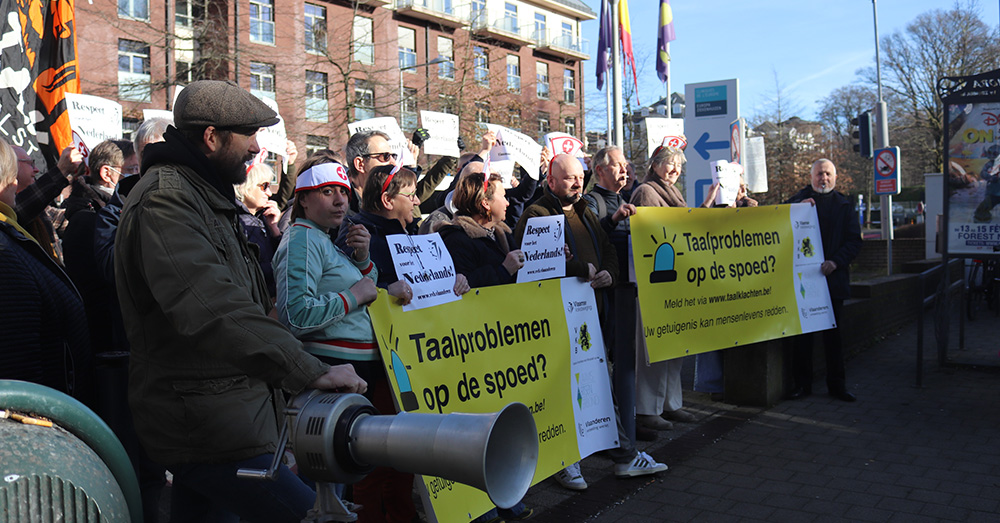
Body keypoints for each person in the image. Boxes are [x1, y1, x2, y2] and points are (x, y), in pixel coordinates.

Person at [114, 80, 367, 523]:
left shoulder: (202, 193)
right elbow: (212, 308)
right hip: (208, 426)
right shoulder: (167, 200)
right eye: (248, 134)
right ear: (211, 138)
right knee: (312, 515)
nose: (257, 146)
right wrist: (309, 370)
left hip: (221, 417)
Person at [515, 154, 667, 491]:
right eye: (568, 178)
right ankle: (573, 460)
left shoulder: (584, 209)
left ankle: (620, 456)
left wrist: (608, 274)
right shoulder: (536, 215)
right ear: (550, 181)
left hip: (591, 314)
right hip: (557, 318)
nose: (576, 183)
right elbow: (535, 264)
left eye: (579, 177)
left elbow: (608, 251)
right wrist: (579, 269)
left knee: (595, 385)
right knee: (567, 389)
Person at [0, 136, 94, 404]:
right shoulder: (5, 248)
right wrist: (61, 172)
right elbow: (19, 359)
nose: (34, 170)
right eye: (28, 164)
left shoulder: (23, 222)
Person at [629, 146, 708, 432]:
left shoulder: (672, 193)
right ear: (655, 165)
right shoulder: (647, 192)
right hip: (654, 282)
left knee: (673, 347)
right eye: (669, 164)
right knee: (652, 350)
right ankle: (647, 409)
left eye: (678, 165)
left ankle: (670, 404)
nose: (675, 170)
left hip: (672, 283)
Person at [784, 159, 862, 402]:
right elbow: (778, 217)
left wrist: (836, 262)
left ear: (835, 178)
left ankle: (837, 386)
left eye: (828, 174)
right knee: (803, 337)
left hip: (833, 279)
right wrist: (797, 207)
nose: (823, 178)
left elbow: (854, 242)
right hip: (805, 281)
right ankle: (802, 385)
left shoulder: (844, 205)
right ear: (811, 177)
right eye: (819, 174)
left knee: (834, 337)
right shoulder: (799, 200)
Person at [236, 162, 282, 298]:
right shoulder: (238, 221)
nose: (269, 193)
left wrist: (275, 230)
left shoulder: (261, 219)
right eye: (264, 186)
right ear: (246, 186)